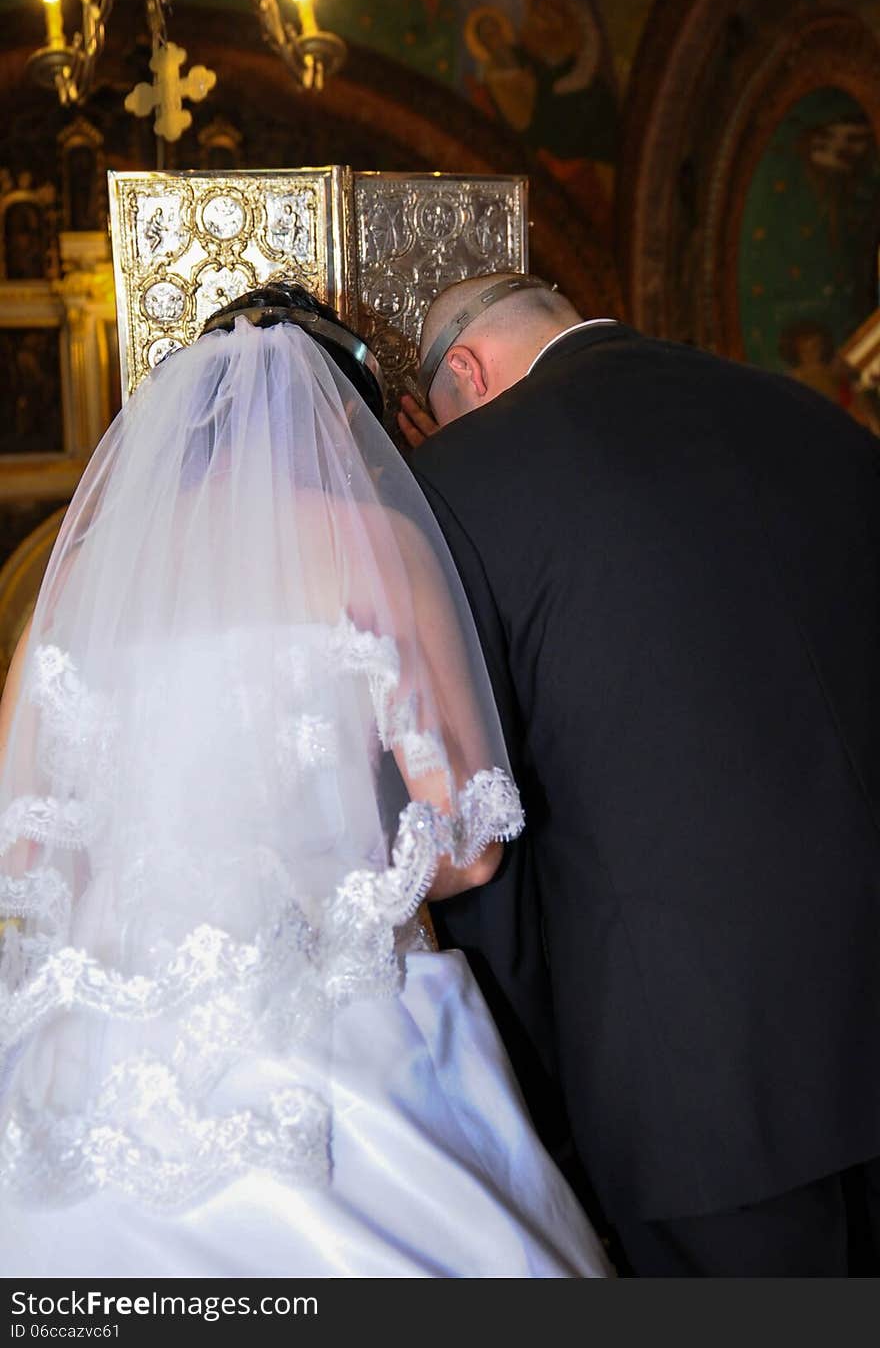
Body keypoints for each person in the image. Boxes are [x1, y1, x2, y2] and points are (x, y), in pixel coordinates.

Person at [0, 282, 611, 1280]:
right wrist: (348, 855)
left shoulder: (74, 587)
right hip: (328, 1001)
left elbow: (27, 857)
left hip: (98, 1038)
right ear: (341, 423)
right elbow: (471, 843)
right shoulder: (373, 546)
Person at [406, 271, 880, 1277]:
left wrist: (539, 1089)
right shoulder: (815, 419)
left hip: (694, 1072)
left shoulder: (465, 477)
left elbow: (486, 809)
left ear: (464, 370)